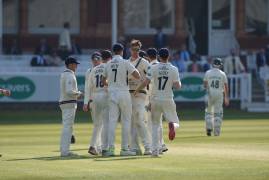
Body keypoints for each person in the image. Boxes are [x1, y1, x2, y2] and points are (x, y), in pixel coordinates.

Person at [134, 48, 181, 157]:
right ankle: (173, 126)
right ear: (168, 57)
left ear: (159, 56)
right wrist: (174, 83)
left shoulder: (153, 67)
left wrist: (137, 90)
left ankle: (155, 151)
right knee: (175, 122)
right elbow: (178, 86)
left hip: (155, 99)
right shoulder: (173, 69)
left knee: (155, 125)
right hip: (168, 98)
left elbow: (146, 81)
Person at [103, 43, 140, 156]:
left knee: (112, 121)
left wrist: (111, 85)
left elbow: (103, 81)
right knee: (126, 121)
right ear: (122, 51)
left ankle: (110, 149)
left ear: (113, 52)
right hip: (123, 93)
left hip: (112, 93)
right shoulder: (125, 62)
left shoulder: (108, 64)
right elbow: (137, 75)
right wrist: (126, 76)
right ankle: (124, 149)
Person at [83, 51, 110, 156]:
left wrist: (86, 102)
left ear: (100, 59)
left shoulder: (93, 70)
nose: (95, 61)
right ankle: (103, 147)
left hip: (94, 97)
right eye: (94, 60)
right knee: (103, 124)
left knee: (98, 125)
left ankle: (94, 146)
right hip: (104, 95)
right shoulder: (106, 67)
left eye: (97, 59)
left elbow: (87, 87)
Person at [128, 40, 151, 155]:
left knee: (140, 119)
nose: (135, 52)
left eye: (137, 50)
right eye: (133, 49)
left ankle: (148, 146)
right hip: (129, 95)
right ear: (130, 49)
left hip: (140, 94)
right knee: (132, 122)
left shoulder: (144, 62)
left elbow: (150, 78)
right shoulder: (126, 62)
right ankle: (134, 147)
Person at [59, 56, 83, 157]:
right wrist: (79, 94)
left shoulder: (65, 74)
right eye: (75, 64)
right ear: (70, 65)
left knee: (67, 126)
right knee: (68, 127)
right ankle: (65, 151)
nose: (76, 66)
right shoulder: (69, 75)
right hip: (68, 103)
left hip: (66, 102)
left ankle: (64, 149)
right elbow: (69, 91)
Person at [146, 48, 168, 153]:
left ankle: (156, 146)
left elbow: (151, 86)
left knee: (152, 124)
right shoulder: (162, 66)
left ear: (147, 57)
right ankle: (162, 144)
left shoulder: (150, 66)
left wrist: (149, 101)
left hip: (153, 98)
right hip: (164, 97)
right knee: (159, 123)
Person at [204, 58, 229, 137]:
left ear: (213, 64)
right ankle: (216, 132)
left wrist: (208, 88)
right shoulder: (222, 74)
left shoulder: (208, 73)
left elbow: (205, 84)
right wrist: (226, 97)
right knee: (218, 113)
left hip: (210, 94)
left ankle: (208, 128)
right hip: (219, 94)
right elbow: (226, 87)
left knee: (208, 112)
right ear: (220, 65)